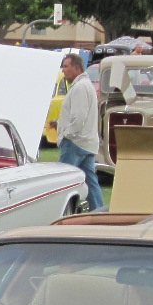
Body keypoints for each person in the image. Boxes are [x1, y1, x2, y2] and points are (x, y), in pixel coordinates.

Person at [55, 52, 103, 211]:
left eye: (66, 66)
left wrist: (67, 134)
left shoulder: (80, 87)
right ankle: (98, 212)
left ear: (76, 67)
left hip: (75, 142)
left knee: (63, 181)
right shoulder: (86, 85)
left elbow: (79, 117)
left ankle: (60, 212)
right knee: (90, 182)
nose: (63, 70)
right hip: (86, 142)